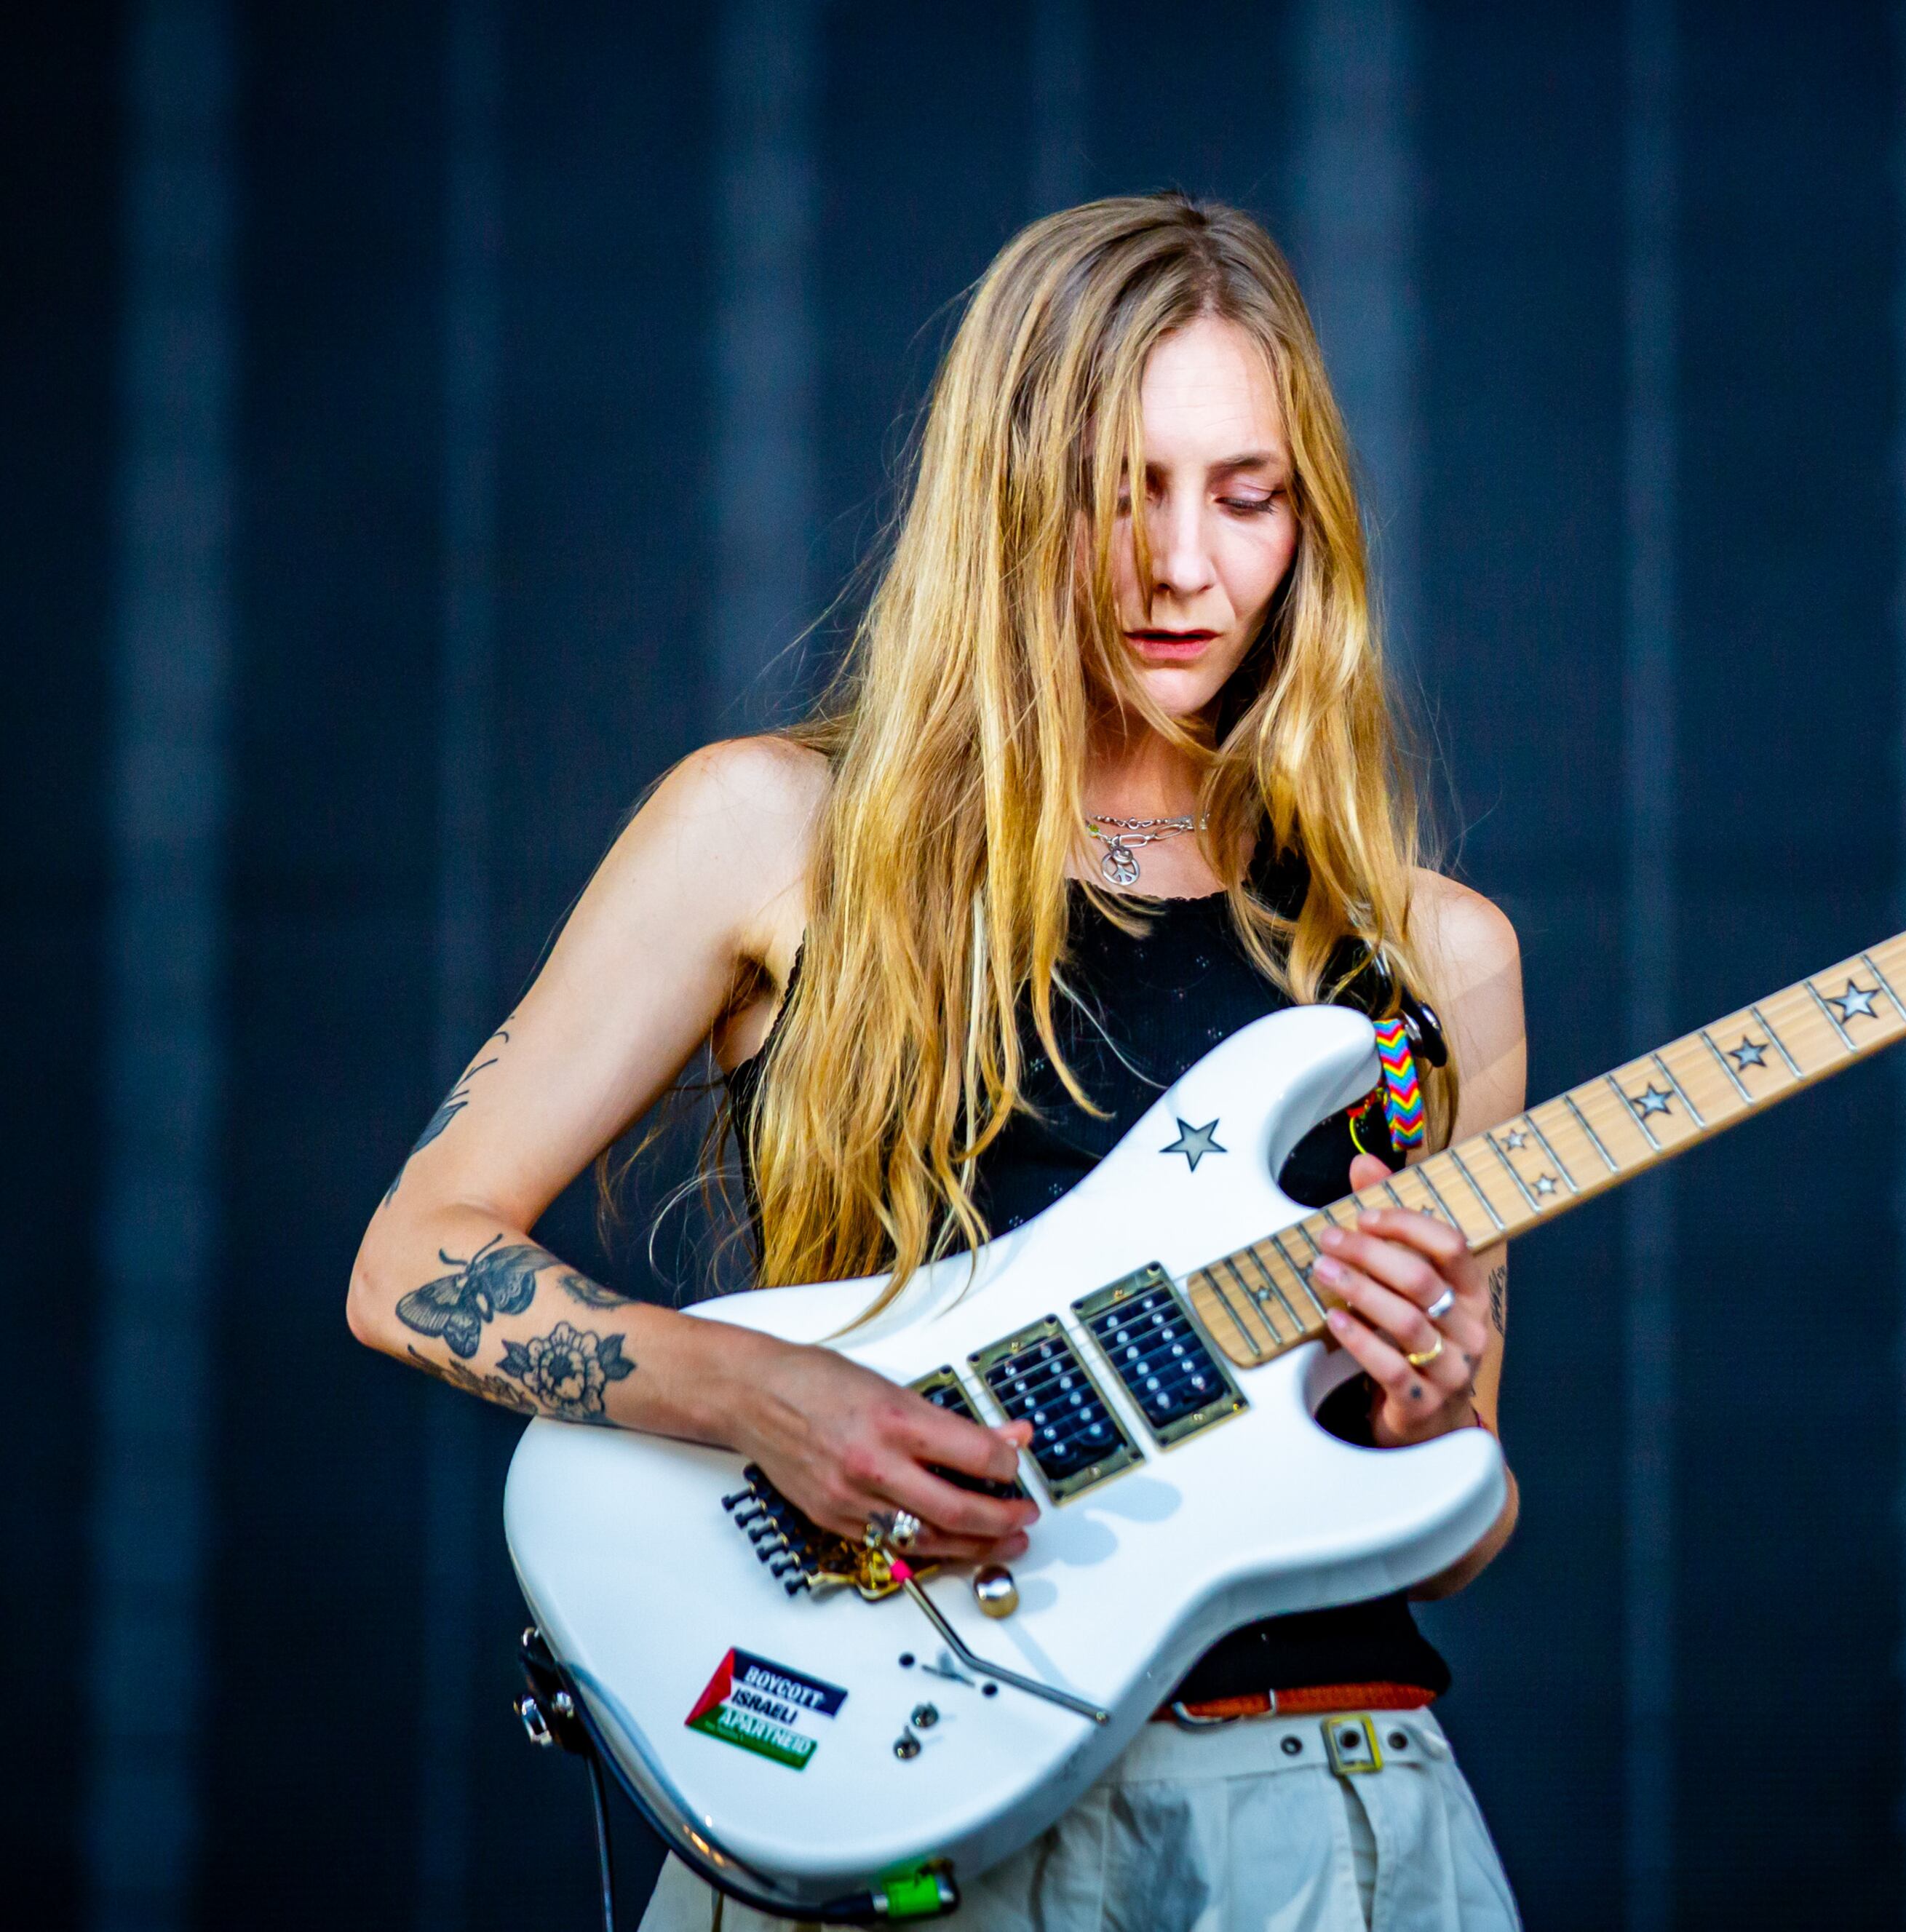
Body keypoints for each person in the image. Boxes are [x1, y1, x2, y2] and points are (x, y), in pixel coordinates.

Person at [346, 194, 1526, 1930]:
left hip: (1328, 1812)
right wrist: (761, 1398)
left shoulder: (1434, 950)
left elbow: (1463, 1502)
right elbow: (410, 1259)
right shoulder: (770, 828)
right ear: (1003, 493)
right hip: (903, 1790)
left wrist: (1433, 1402)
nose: (1184, 564)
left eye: (1246, 494)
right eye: (1117, 490)